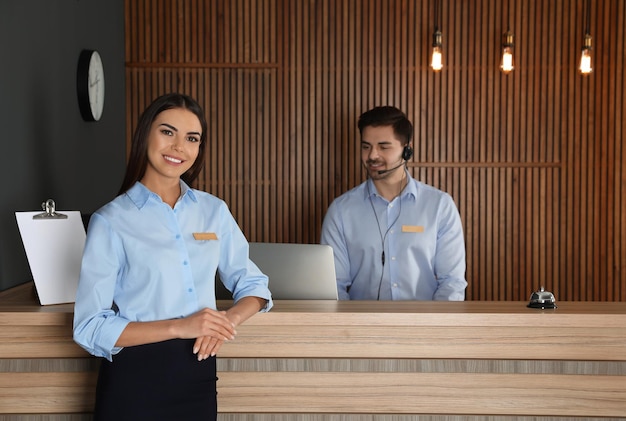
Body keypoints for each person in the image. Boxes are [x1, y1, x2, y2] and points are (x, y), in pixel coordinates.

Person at [73, 93, 272, 421]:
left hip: (198, 377)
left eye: (192, 138)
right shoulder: (111, 220)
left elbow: (254, 285)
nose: (180, 147)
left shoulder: (214, 211)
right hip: (134, 382)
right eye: (168, 132)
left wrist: (224, 322)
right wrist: (181, 326)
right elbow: (89, 326)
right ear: (145, 134)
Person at [320, 106, 467, 301]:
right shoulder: (340, 211)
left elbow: (452, 283)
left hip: (426, 328)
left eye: (383, 146)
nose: (372, 155)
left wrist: (435, 328)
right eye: (366, 147)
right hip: (359, 329)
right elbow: (333, 287)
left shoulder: (440, 206)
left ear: (407, 149)